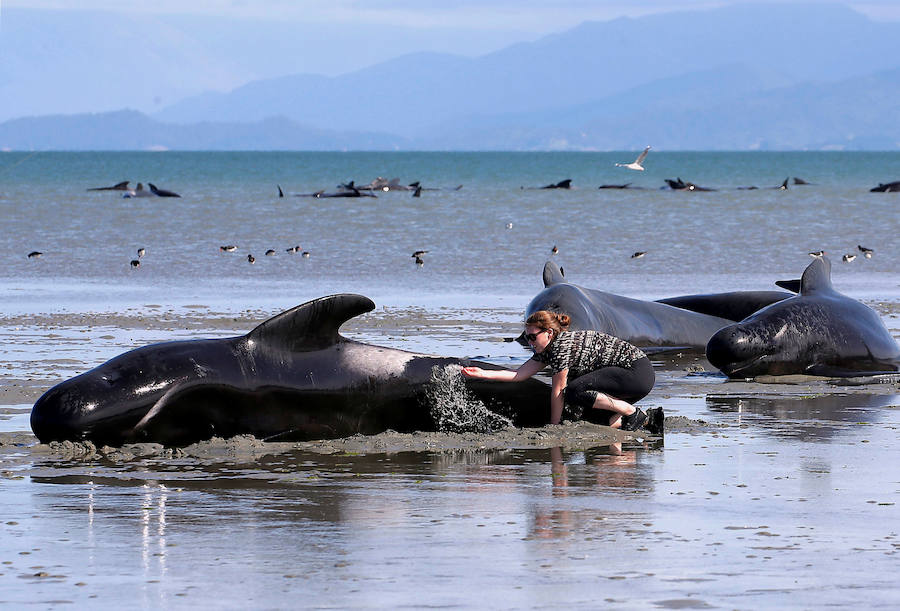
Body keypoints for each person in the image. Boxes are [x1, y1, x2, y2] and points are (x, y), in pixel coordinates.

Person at [461, 310, 663, 434]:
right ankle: (647, 421)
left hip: (636, 372)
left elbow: (558, 391)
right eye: (526, 337)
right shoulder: (547, 348)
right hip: (627, 378)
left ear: (548, 333)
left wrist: (554, 426)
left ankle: (631, 412)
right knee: (595, 418)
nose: (529, 342)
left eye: (532, 337)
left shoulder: (560, 348)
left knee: (575, 391)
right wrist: (482, 373)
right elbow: (519, 374)